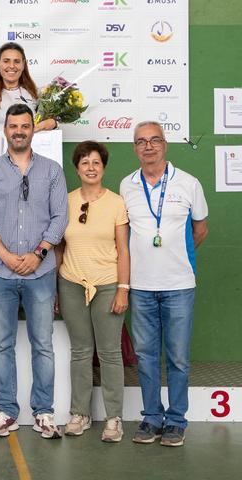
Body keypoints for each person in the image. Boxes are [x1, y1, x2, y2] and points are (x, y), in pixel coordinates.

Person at [0, 103, 68, 439]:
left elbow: (60, 217)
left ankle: (44, 412)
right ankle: (7, 412)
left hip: (41, 273)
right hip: (1, 272)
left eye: (24, 125)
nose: (18, 131)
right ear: (5, 131)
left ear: (32, 129)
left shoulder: (53, 170)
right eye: (12, 126)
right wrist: (7, 255)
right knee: (2, 345)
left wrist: (39, 253)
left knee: (43, 344)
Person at [120, 121, 208, 447]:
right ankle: (151, 418)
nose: (148, 146)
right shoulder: (126, 185)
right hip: (140, 286)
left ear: (165, 144)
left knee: (179, 357)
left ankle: (176, 421)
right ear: (134, 148)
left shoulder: (188, 183)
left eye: (154, 140)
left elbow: (200, 229)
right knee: (145, 356)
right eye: (141, 141)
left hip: (179, 284)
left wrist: (173, 255)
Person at [55, 141, 130, 442]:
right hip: (71, 283)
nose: (90, 167)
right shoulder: (66, 201)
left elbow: (123, 249)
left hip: (108, 283)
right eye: (84, 162)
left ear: (103, 168)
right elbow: (60, 245)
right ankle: (80, 414)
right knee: (81, 351)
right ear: (77, 168)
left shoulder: (116, 203)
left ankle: (114, 419)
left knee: (110, 353)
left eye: (96, 162)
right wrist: (56, 290)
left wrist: (123, 288)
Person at [0, 42, 56, 147]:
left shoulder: (35, 93)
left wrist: (54, 123)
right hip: (0, 157)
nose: (12, 66)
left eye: (17, 61)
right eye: (6, 61)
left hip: (32, 156)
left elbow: (49, 124)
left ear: (23, 65)